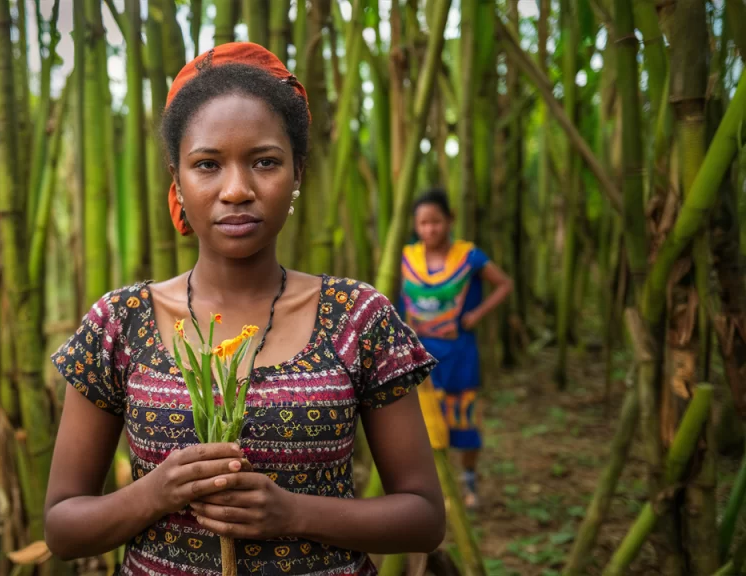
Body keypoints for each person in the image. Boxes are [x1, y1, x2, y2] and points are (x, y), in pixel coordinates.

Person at [43, 42, 445, 575]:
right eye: (207, 165)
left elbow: (424, 518)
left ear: (297, 172)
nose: (236, 190)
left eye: (265, 162)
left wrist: (293, 512)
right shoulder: (119, 323)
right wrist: (155, 493)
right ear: (177, 179)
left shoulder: (359, 317)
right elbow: (62, 529)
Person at [397, 188, 514, 510]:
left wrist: (477, 314)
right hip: (420, 355)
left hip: (460, 350)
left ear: (450, 220)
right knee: (426, 423)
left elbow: (505, 283)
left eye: (436, 222)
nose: (430, 229)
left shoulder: (469, 256)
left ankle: (468, 480)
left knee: (464, 419)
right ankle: (437, 488)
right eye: (423, 223)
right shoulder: (407, 257)